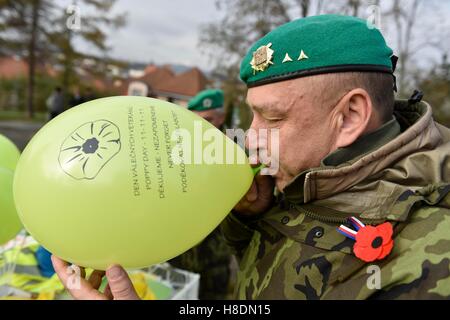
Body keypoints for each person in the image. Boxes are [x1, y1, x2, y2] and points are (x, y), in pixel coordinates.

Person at [52, 14, 450, 300]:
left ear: (349, 116)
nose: (251, 136)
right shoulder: (309, 173)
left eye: (273, 117)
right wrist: (252, 219)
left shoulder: (428, 267)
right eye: (252, 114)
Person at [168, 89, 232, 300]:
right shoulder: (176, 149)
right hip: (176, 250)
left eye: (207, 120)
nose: (200, 127)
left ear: (221, 117)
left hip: (214, 253)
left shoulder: (237, 152)